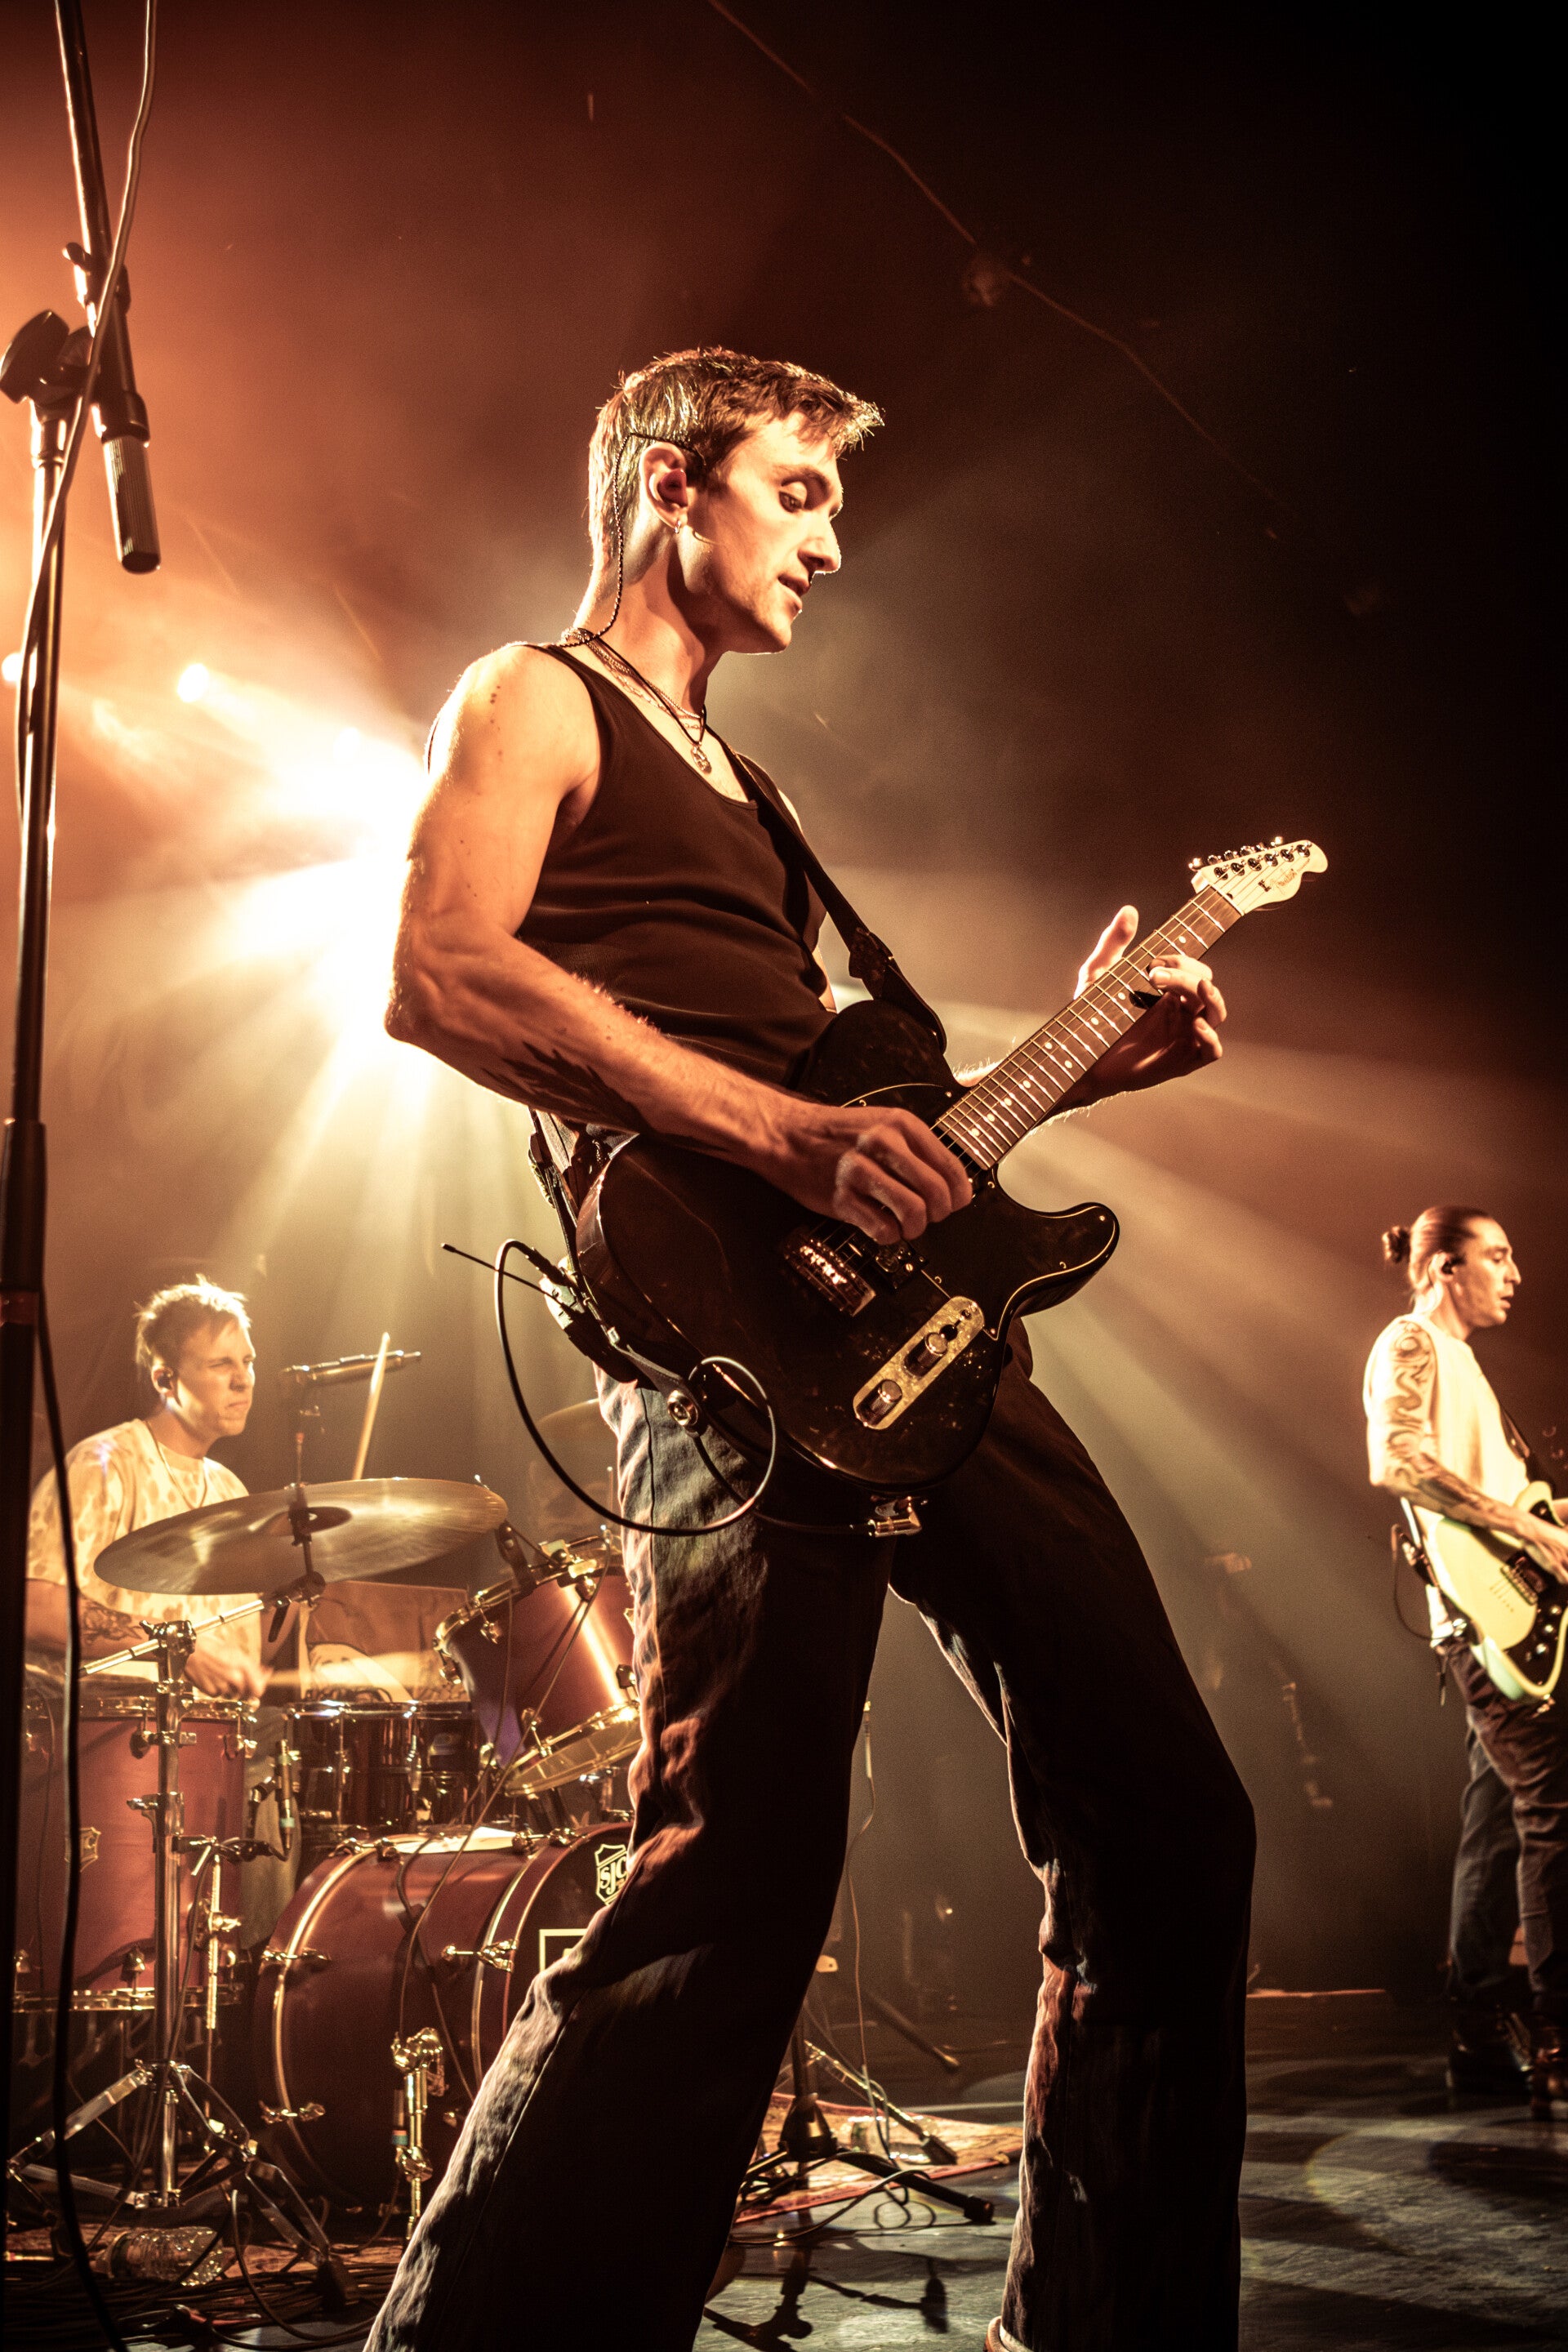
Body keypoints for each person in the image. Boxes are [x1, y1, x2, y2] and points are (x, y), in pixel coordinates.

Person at [369, 347, 1255, 2352]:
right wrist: (780, 1137)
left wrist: (1087, 1062)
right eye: (798, 491)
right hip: (720, 1357)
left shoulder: (756, 797)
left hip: (913, 1338)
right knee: (734, 1879)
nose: (833, 541)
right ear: (668, 484)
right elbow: (437, 969)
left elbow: (880, 1132)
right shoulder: (535, 696)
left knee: (1169, 1815)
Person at [1365, 1206, 1568, 2109]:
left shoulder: (1465, 1364)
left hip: (1498, 1614)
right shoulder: (1412, 1342)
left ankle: (1478, 2029)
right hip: (1484, 1619)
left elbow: (1504, 1493)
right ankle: (1559, 2032)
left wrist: (1543, 1518)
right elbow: (1399, 1460)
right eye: (1497, 1255)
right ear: (1444, 1266)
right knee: (1556, 1810)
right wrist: (1530, 1528)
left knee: (1496, 1823)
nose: (1515, 1272)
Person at [25, 1278, 266, 1698]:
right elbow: (35, 1609)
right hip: (118, 1726)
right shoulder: (105, 1464)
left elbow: (243, 1654)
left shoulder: (232, 1492)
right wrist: (176, 1646)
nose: (243, 1380)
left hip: (216, 1729)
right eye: (221, 1364)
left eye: (247, 1361)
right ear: (165, 1380)